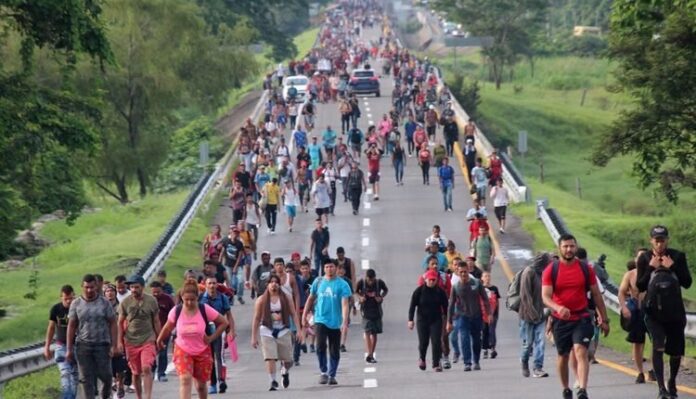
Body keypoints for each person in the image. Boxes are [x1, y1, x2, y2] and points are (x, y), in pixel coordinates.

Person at [542, 234, 610, 399]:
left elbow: (596, 295)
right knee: (563, 355)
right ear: (559, 248)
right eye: (565, 246)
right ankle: (566, 389)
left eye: (572, 246)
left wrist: (604, 319)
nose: (569, 249)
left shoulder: (586, 269)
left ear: (576, 247)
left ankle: (582, 389)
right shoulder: (551, 270)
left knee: (580, 351)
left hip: (581, 317)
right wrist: (558, 307)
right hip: (560, 320)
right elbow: (545, 296)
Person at [636, 225, 692, 399]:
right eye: (656, 240)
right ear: (651, 240)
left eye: (663, 240)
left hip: (675, 311)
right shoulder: (645, 258)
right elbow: (640, 285)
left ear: (668, 240)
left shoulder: (677, 256)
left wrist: (673, 267)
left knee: (676, 351)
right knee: (658, 345)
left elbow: (687, 282)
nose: (660, 244)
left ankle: (672, 381)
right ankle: (661, 388)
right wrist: (651, 268)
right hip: (653, 313)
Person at [156, 280, 229, 399]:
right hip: (183, 350)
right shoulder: (177, 311)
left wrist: (211, 338)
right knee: (185, 380)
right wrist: (159, 340)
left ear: (197, 297)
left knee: (201, 386)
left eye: (192, 300)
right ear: (182, 297)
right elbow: (168, 327)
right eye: (186, 300)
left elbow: (223, 323)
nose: (189, 303)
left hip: (202, 350)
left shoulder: (204, 309)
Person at [66, 274, 118, 399]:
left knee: (106, 376)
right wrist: (69, 349)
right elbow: (71, 326)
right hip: (83, 345)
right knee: (85, 379)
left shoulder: (104, 302)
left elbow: (113, 323)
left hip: (102, 345)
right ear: (82, 287)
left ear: (96, 287)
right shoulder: (76, 303)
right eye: (86, 287)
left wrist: (114, 345)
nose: (89, 290)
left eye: (91, 287)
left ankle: (105, 395)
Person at [303, 260, 352, 385]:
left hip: (335, 322)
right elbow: (310, 298)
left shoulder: (342, 284)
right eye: (326, 266)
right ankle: (323, 371)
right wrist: (304, 315)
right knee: (320, 346)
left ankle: (332, 375)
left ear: (336, 268)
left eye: (331, 266)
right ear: (323, 268)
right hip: (320, 319)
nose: (329, 269)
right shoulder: (318, 282)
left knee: (334, 349)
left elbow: (345, 304)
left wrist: (344, 321)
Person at [251, 274, 303, 391]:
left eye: (276, 282)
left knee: (288, 360)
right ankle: (273, 381)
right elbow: (256, 318)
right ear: (267, 285)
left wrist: (299, 330)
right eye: (271, 282)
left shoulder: (286, 298)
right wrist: (253, 337)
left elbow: (294, 314)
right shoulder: (261, 300)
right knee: (270, 357)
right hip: (267, 331)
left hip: (283, 330)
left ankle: (284, 371)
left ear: (279, 285)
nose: (274, 284)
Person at [117, 275, 160, 399]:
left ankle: (148, 397)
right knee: (136, 372)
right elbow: (120, 323)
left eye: (136, 287)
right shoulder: (125, 302)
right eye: (131, 287)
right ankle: (139, 397)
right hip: (130, 341)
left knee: (146, 368)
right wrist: (119, 342)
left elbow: (156, 321)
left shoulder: (151, 301)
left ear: (142, 287)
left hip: (148, 339)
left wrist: (159, 338)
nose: (134, 290)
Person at [618, 250, 651, 383]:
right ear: (635, 259)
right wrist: (624, 307)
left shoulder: (654, 273)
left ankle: (654, 370)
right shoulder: (630, 275)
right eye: (640, 257)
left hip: (651, 310)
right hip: (636, 311)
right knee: (638, 342)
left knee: (657, 341)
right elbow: (621, 292)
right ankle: (640, 371)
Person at [199, 276, 235, 394]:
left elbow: (229, 315)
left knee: (219, 356)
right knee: (209, 358)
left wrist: (232, 330)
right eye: (209, 283)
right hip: (205, 332)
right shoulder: (200, 298)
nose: (212, 286)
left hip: (220, 330)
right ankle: (213, 383)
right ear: (205, 285)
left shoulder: (223, 298)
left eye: (214, 283)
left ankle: (221, 381)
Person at [519, 253, 552, 378]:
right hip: (527, 315)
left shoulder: (545, 274)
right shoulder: (529, 272)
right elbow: (525, 295)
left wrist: (548, 312)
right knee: (528, 343)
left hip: (541, 315)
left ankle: (538, 367)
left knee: (540, 342)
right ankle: (524, 362)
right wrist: (532, 313)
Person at [409, 269, 449, 372]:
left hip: (436, 319)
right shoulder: (419, 291)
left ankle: (436, 363)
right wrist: (410, 320)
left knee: (436, 341)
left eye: (433, 280)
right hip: (422, 320)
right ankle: (422, 358)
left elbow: (445, 307)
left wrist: (448, 320)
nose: (431, 282)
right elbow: (412, 306)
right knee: (424, 342)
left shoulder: (440, 292)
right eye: (430, 280)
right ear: (425, 280)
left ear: (436, 280)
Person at [44, 284, 79, 399]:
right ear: (61, 297)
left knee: (75, 376)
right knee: (65, 373)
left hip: (78, 346)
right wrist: (47, 347)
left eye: (71, 298)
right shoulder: (56, 309)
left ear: (74, 296)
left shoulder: (79, 307)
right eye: (66, 299)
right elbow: (51, 328)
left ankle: (70, 397)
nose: (69, 301)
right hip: (61, 346)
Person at [356, 269, 388, 363]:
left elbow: (386, 290)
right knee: (367, 332)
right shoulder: (361, 282)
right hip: (366, 311)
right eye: (369, 280)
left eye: (372, 279)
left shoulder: (379, 282)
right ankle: (370, 354)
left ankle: (371, 354)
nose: (370, 281)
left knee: (374, 334)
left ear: (375, 277)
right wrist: (360, 297)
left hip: (377, 311)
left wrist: (381, 297)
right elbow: (356, 291)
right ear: (366, 277)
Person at [150, 281, 175, 382]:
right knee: (151, 352)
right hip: (150, 331)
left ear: (162, 290)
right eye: (154, 292)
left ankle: (161, 373)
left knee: (163, 352)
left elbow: (173, 313)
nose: (156, 294)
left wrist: (172, 329)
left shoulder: (168, 299)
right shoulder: (148, 300)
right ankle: (151, 371)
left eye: (158, 292)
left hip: (165, 330)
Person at [481, 271, 501, 360]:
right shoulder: (480, 288)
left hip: (493, 314)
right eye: (485, 276)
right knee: (484, 331)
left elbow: (497, 301)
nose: (487, 278)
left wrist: (497, 312)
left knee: (492, 330)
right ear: (482, 278)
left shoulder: (494, 288)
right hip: (483, 314)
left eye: (488, 276)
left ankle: (492, 348)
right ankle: (485, 349)